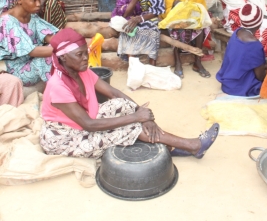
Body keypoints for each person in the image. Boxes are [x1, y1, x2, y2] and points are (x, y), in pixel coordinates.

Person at [40, 28, 220, 159]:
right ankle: (193, 145)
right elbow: (89, 124)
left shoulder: (81, 70)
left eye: (85, 53)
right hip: (66, 137)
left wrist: (144, 116)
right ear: (63, 57)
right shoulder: (58, 86)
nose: (86, 58)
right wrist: (137, 117)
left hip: (85, 120)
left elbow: (113, 92)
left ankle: (173, 144)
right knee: (129, 127)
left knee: (124, 105)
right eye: (79, 55)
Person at [0, 0, 58, 86]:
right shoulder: (6, 22)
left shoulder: (32, 17)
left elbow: (50, 37)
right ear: (19, 0)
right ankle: (57, 93)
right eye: (34, 0)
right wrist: (64, 49)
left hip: (31, 63)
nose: (38, 4)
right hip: (16, 71)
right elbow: (32, 51)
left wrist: (69, 43)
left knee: (58, 48)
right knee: (49, 57)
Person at [163, 0, 210, 78]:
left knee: (201, 25)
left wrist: (189, 11)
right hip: (176, 19)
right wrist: (176, 5)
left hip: (193, 18)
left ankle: (197, 63)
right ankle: (178, 62)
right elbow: (167, 12)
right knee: (174, 26)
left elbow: (201, 7)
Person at [216, 3, 267, 96]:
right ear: (259, 24)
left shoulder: (237, 32)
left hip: (227, 84)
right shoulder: (255, 44)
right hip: (241, 88)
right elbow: (260, 76)